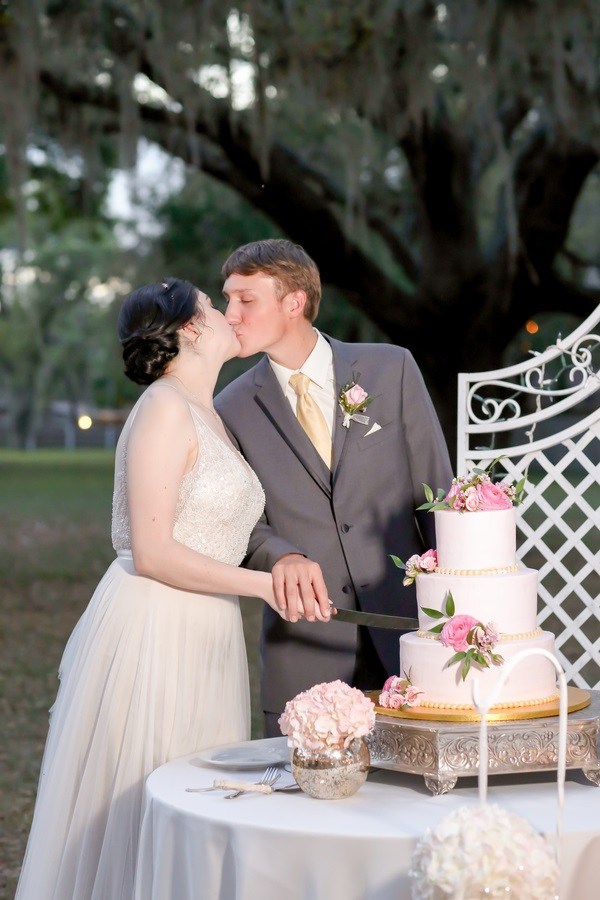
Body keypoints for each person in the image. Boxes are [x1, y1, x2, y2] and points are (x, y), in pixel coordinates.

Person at [16, 278, 331, 900]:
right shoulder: (163, 408)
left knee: (192, 798)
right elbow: (154, 551)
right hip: (156, 626)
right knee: (146, 791)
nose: (225, 315)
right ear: (190, 327)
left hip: (206, 627)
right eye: (215, 307)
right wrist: (264, 585)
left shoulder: (208, 411)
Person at [216, 239, 454, 736]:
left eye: (245, 299)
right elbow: (240, 522)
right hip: (306, 648)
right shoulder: (230, 407)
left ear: (294, 302)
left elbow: (438, 497)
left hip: (411, 633)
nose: (229, 314)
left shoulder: (392, 369)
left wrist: (455, 612)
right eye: (227, 299)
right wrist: (279, 556)